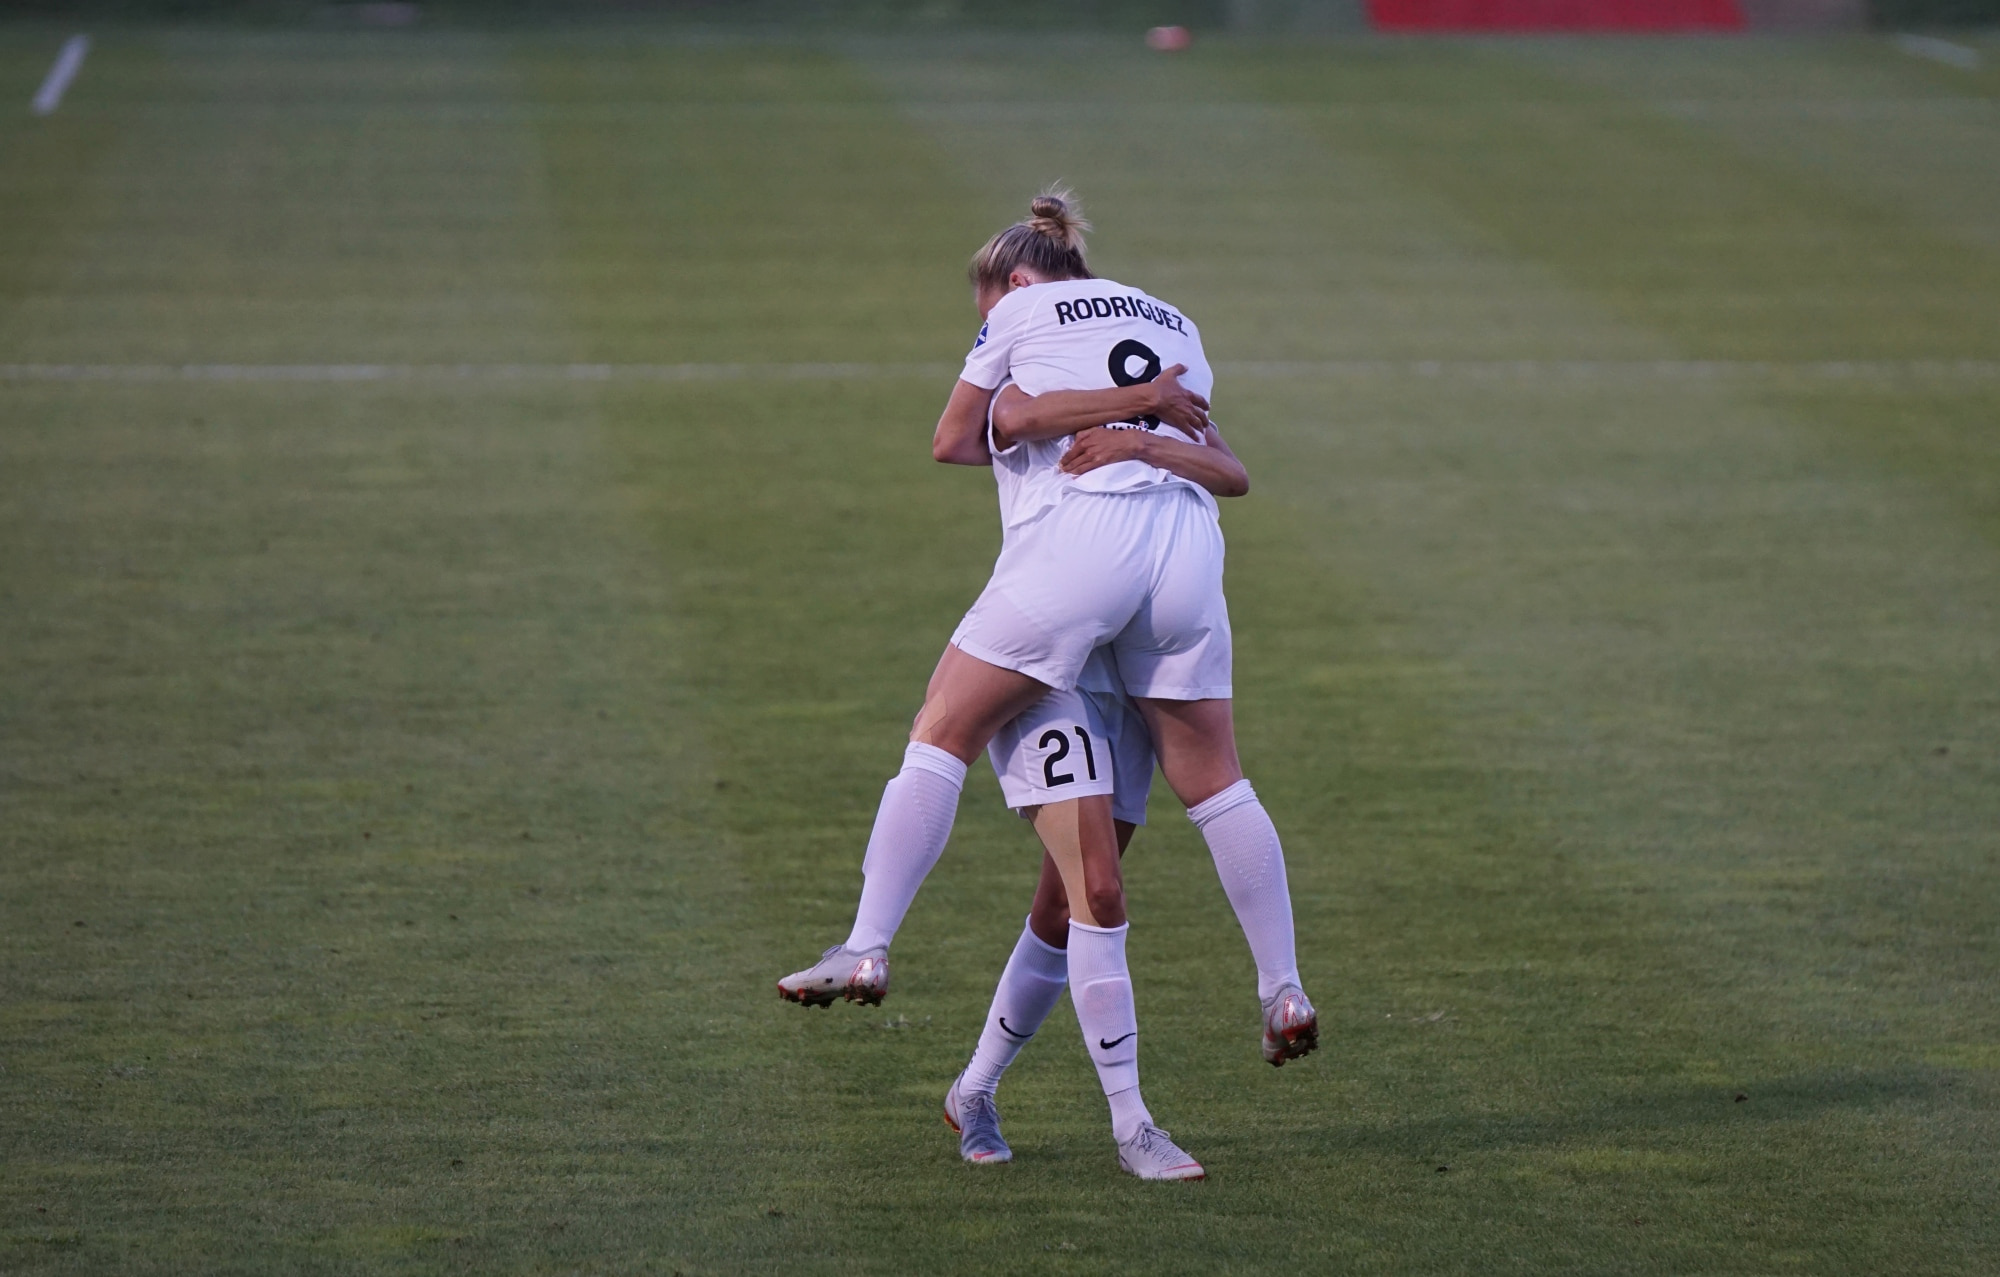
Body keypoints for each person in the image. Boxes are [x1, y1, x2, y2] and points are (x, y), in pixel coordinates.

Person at [777, 191, 1315, 1177]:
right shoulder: (1165, 321)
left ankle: (962, 1070)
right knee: (1099, 882)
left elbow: (974, 427)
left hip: (1076, 594)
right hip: (1145, 598)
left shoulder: (1019, 316)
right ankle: (1135, 1120)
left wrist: (1129, 421)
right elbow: (1216, 460)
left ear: (1014, 286)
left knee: (1062, 888)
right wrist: (1142, 407)